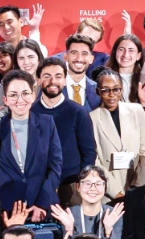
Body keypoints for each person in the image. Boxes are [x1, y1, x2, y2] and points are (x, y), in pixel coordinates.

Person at [0, 71, 64, 212]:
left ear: (33, 96)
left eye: (25, 93)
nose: (20, 100)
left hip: (41, 207)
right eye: (13, 95)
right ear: (6, 100)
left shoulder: (47, 123)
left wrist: (42, 204)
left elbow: (55, 166)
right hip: (5, 208)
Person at [33, 57, 99, 185]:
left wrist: (82, 181)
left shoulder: (78, 112)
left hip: (72, 184)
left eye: (58, 76)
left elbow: (89, 152)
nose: (53, 81)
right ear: (38, 80)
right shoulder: (30, 112)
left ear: (65, 80)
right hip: (38, 184)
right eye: (47, 76)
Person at [53, 167, 126, 239]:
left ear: (105, 188)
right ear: (78, 187)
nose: (93, 188)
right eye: (87, 183)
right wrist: (69, 229)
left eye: (98, 184)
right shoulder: (68, 214)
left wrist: (108, 230)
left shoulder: (113, 214)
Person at [93, 69, 145, 198]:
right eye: (105, 90)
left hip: (138, 186)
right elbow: (95, 161)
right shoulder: (92, 118)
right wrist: (116, 193)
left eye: (116, 89)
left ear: (121, 90)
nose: (112, 94)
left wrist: (137, 188)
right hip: (109, 192)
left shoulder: (136, 111)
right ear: (98, 91)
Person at [61, 34, 102, 108]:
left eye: (84, 54)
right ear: (66, 57)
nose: (79, 58)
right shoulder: (54, 86)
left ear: (91, 59)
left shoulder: (97, 90)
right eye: (74, 53)